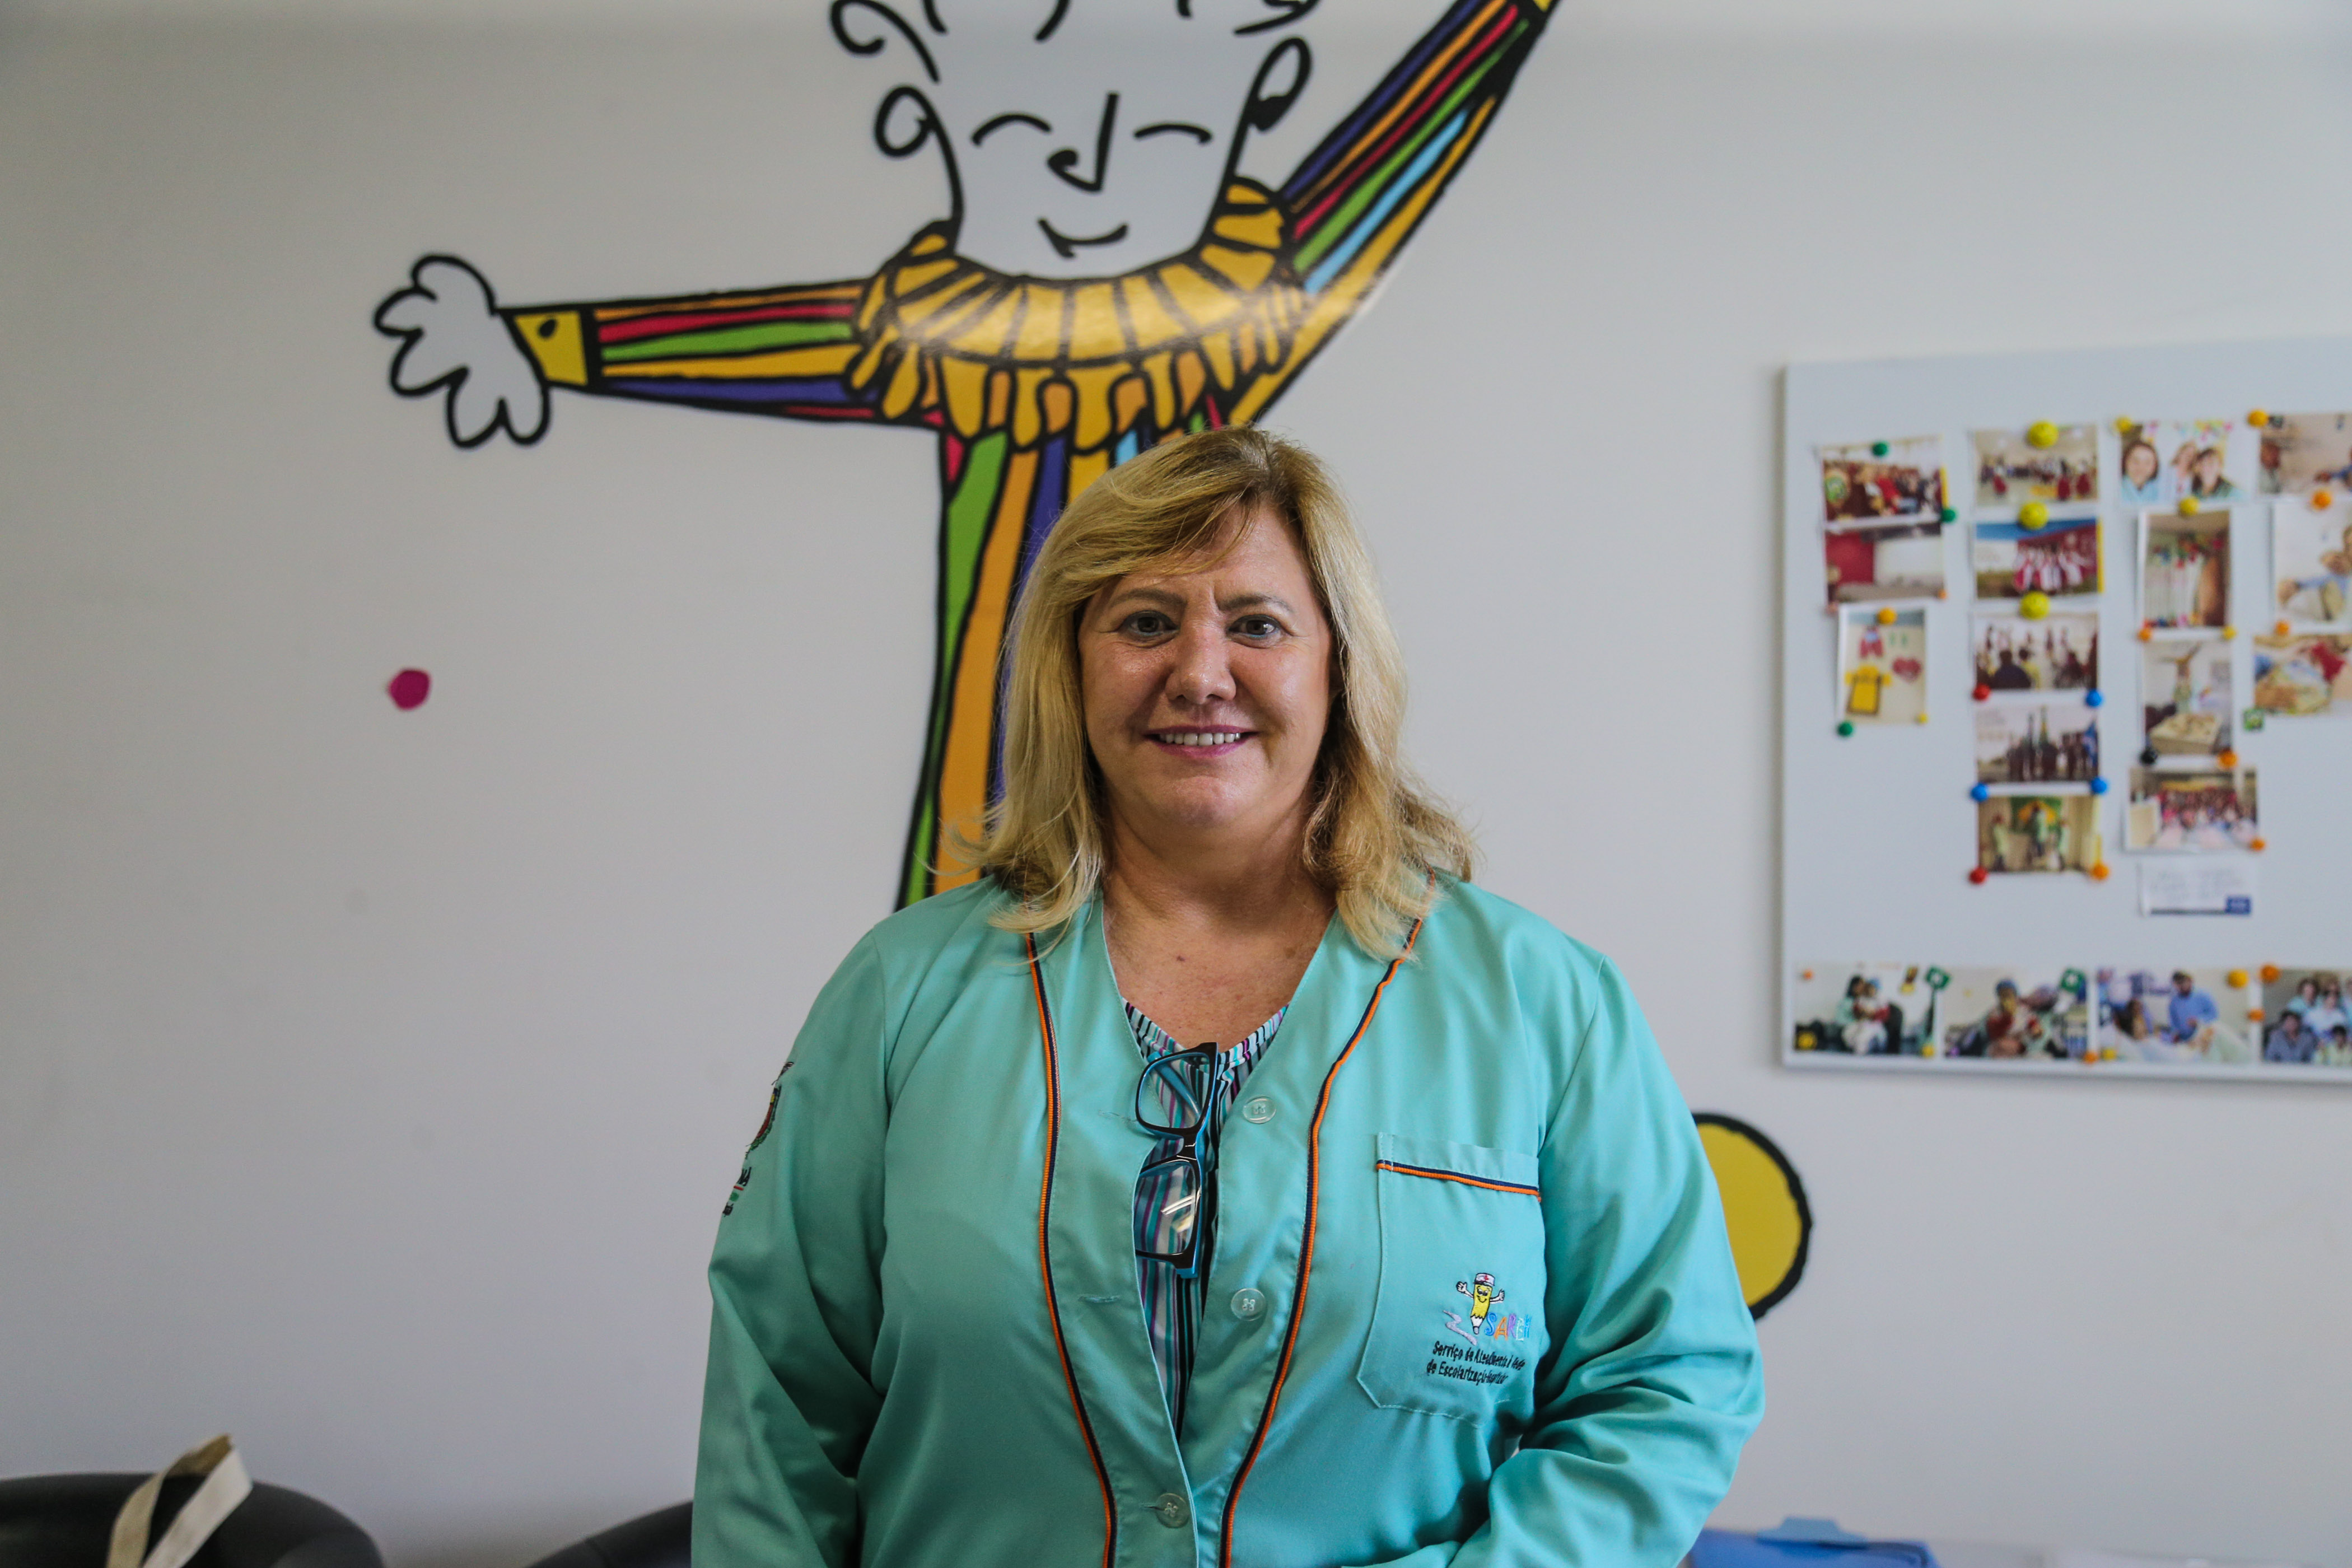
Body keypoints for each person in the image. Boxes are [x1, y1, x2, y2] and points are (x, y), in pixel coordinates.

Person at [693, 430, 1764, 1568]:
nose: (1200, 672)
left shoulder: (1547, 1004)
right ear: (1073, 665)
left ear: (1338, 666)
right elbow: (778, 1406)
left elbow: (1666, 1382)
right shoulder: (901, 992)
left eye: (1256, 623)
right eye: (1146, 620)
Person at [2163, 970, 2219, 1045]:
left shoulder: (2204, 995)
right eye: (2178, 983)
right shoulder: (2174, 1001)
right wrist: (2175, 1034)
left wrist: (2199, 1021)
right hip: (2184, 1040)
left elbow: (2214, 1015)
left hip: (2203, 1038)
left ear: (2190, 980)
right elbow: (2173, 1021)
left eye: (2183, 982)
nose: (2181, 985)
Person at [2120, 437, 2164, 503]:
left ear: (2155, 466)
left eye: (2147, 463)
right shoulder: (2115, 489)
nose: (2141, 468)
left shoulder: (2159, 491)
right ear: (2125, 462)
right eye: (2135, 461)